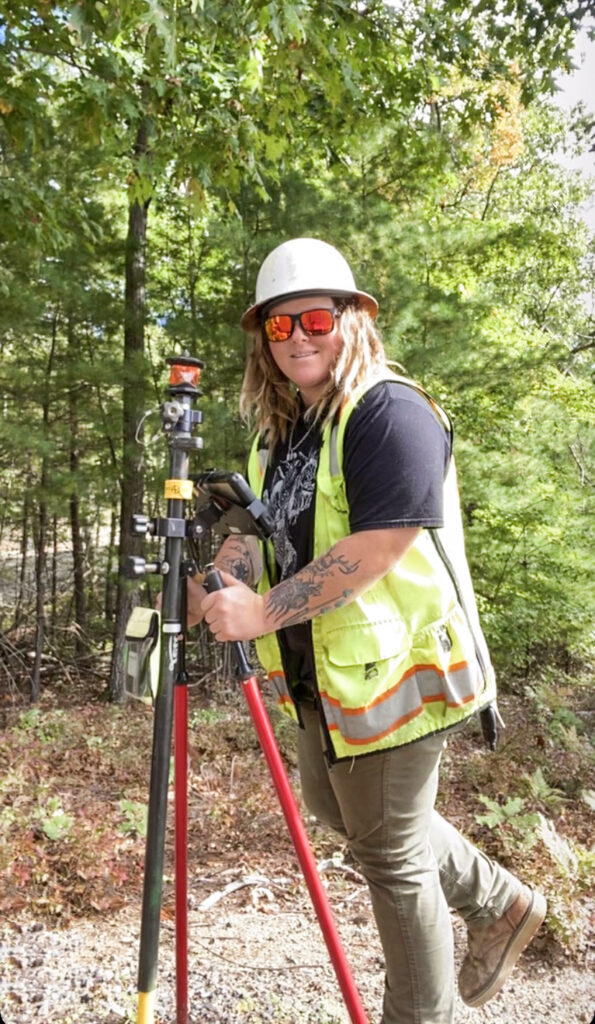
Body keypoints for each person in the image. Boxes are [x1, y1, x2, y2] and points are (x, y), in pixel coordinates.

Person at [186, 238, 547, 1024]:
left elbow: (381, 543)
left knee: (390, 853)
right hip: (325, 676)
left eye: (314, 319)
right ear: (263, 339)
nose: (297, 338)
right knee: (344, 813)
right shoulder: (281, 432)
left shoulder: (389, 412)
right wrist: (219, 579)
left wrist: (261, 612)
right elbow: (252, 530)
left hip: (398, 674)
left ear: (351, 319)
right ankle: (499, 901)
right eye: (279, 326)